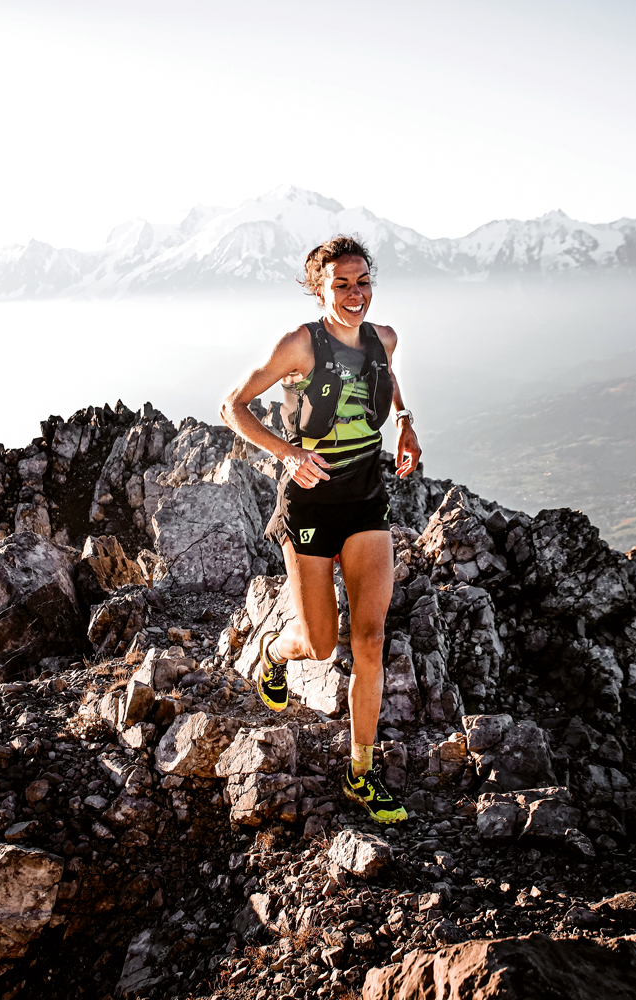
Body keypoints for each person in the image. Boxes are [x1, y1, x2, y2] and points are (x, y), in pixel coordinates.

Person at [220, 235, 421, 824]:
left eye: (362, 282)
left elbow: (388, 381)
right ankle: (274, 654)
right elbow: (233, 404)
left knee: (371, 639)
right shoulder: (299, 344)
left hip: (365, 496)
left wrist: (406, 424)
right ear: (319, 288)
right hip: (309, 503)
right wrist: (286, 453)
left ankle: (362, 772)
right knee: (320, 644)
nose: (354, 294)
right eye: (341, 284)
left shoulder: (384, 339)